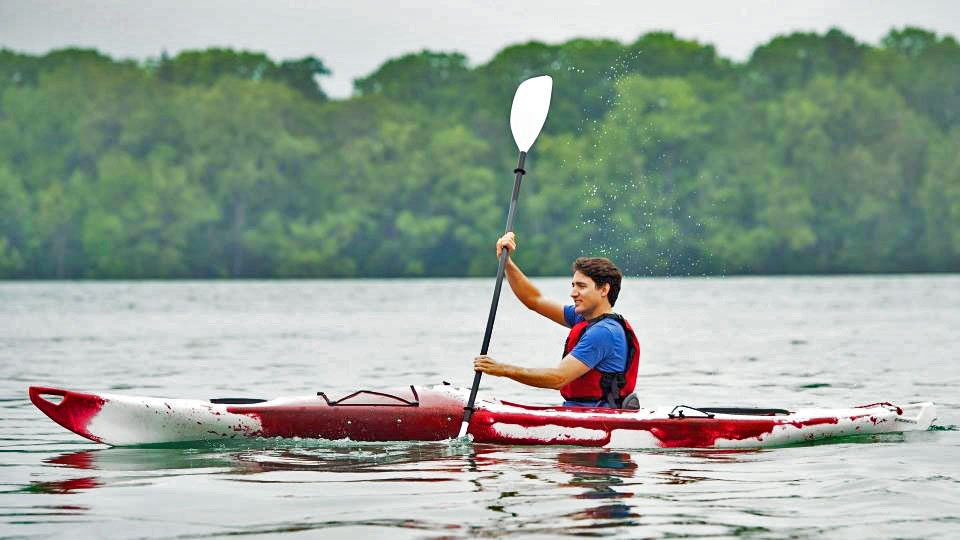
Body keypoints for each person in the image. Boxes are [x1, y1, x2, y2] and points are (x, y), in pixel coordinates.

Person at [473, 232, 641, 408]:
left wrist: (503, 369)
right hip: (577, 412)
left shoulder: (604, 332)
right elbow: (534, 300)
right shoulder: (582, 318)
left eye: (581, 286)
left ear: (604, 290)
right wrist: (506, 263)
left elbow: (558, 378)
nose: (573, 293)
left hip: (598, 418)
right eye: (573, 285)